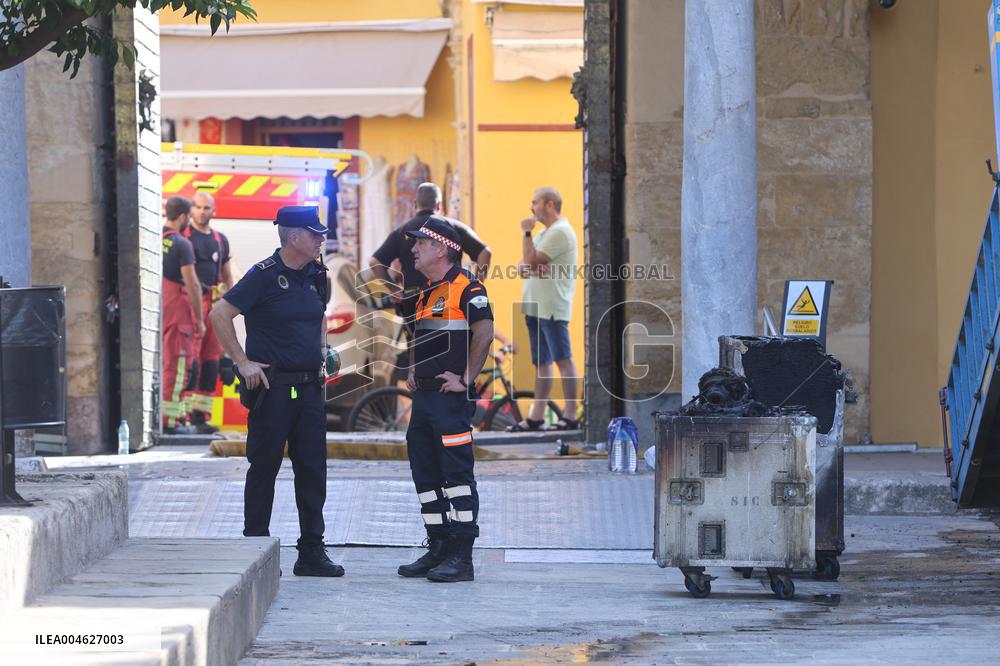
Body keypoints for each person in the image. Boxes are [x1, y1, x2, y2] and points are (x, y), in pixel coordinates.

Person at [209, 205, 344, 578]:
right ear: (294, 236)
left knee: (313, 470)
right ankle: (256, 548)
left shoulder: (318, 275)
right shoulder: (263, 276)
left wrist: (323, 351)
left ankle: (311, 552)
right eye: (315, 234)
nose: (321, 239)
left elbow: (318, 317)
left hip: (310, 388)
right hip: (274, 388)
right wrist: (242, 362)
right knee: (264, 468)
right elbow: (219, 315)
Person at [396, 217, 494, 583]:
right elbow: (422, 339)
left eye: (420, 243)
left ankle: (461, 556)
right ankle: (437, 547)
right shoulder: (426, 292)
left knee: (456, 476)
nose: (413, 249)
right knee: (425, 476)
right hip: (423, 402)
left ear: (441, 248)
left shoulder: (468, 288)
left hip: (449, 403)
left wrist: (466, 380)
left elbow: (484, 333)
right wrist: (411, 368)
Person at [368, 182, 492, 333]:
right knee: (452, 344)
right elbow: (485, 252)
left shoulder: (403, 231)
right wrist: (476, 284)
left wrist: (394, 289)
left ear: (415, 204)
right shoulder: (452, 227)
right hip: (450, 296)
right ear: (439, 205)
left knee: (419, 348)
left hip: (414, 298)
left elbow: (375, 262)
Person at [510, 187, 580, 431]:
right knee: (541, 363)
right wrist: (530, 262)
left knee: (563, 360)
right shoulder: (545, 233)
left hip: (551, 306)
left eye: (535, 202)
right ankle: (536, 416)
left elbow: (529, 261)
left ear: (550, 205)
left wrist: (527, 233)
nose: (531, 207)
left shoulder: (560, 232)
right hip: (535, 305)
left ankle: (571, 415)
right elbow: (523, 265)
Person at [184, 191, 235, 434]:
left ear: (214, 211)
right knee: (189, 362)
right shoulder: (184, 237)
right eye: (199, 207)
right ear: (191, 209)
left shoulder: (219, 240)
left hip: (213, 303)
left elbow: (227, 276)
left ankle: (200, 417)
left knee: (211, 362)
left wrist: (234, 304)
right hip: (189, 304)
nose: (203, 212)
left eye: (207, 208)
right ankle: (181, 416)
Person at [161, 196, 204, 435]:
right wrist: (199, 320)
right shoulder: (181, 244)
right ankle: (170, 421)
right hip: (179, 313)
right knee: (178, 366)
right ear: (182, 216)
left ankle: (169, 417)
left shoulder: (156, 239)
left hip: (163, 310)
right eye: (189, 215)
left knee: (168, 364)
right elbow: (193, 284)